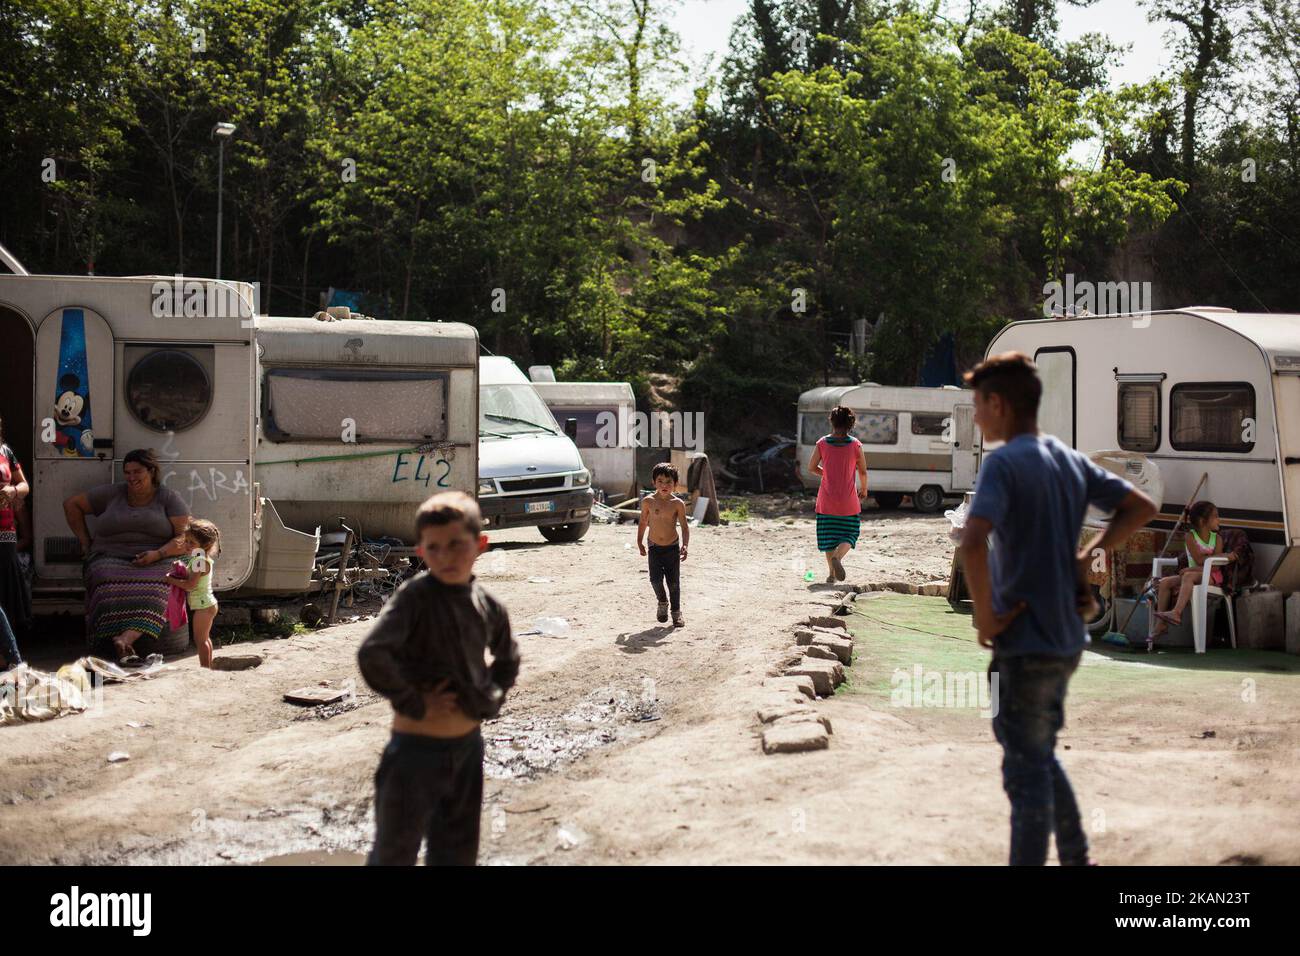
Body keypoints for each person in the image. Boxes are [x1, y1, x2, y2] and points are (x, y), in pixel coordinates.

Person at [959, 352, 1156, 866]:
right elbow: (1141, 507)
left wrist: (983, 617)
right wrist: (1093, 551)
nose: (975, 417)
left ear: (998, 404)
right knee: (1037, 754)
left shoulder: (1003, 462)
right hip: (1066, 639)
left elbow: (973, 543)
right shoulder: (1067, 458)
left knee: (1024, 777)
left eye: (978, 405)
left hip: (1022, 641)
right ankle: (1076, 856)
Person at [357, 491, 521, 866]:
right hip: (414, 753)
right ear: (421, 552)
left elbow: (508, 657)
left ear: (480, 544)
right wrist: (415, 700)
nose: (446, 556)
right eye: (435, 548)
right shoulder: (414, 598)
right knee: (395, 852)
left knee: (456, 852)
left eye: (456, 544)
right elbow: (373, 654)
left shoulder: (487, 604)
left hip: (467, 749)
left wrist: (490, 696)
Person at [63, 448, 191, 663]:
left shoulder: (168, 497)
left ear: (151, 471)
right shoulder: (114, 493)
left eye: (137, 472)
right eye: (127, 472)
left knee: (162, 584)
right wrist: (86, 543)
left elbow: (185, 537)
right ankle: (108, 641)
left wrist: (157, 554)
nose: (131, 477)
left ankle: (126, 638)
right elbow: (71, 504)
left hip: (158, 557)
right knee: (104, 580)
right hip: (109, 554)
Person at [1152, 501, 1230, 639]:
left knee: (1188, 576)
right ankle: (1161, 623)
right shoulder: (1190, 537)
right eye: (1216, 516)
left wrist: (1191, 568)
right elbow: (1199, 559)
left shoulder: (1217, 539)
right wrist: (1194, 568)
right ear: (1202, 521)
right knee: (1164, 582)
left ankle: (1176, 612)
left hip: (1212, 577)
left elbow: (1215, 566)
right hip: (1194, 574)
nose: (1219, 520)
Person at [807, 405, 868, 583]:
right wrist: (863, 489)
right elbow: (862, 471)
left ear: (832, 422)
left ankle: (831, 574)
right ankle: (838, 558)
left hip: (826, 500)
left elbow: (811, 468)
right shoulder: (856, 445)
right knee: (850, 533)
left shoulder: (822, 443)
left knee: (828, 537)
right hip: (849, 501)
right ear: (850, 423)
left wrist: (826, 473)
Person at [637, 462, 689, 626]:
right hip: (654, 547)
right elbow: (643, 523)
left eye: (669, 482)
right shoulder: (648, 502)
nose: (664, 485)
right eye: (660, 481)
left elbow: (685, 527)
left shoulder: (677, 504)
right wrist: (639, 541)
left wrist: (685, 545)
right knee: (655, 580)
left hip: (672, 547)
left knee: (673, 583)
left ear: (675, 484)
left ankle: (676, 613)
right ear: (654, 482)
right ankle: (662, 602)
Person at [167, 519, 221, 668]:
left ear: (205, 546)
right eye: (187, 541)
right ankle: (208, 667)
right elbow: (192, 578)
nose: (187, 545)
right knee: (205, 638)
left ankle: (204, 670)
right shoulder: (200, 559)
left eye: (192, 542)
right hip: (207, 604)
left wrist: (171, 580)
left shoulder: (199, 561)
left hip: (204, 606)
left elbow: (190, 585)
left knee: (200, 640)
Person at [0, 417, 32, 645]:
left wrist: (13, 491)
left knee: (5, 587)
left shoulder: (5, 451)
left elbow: (25, 486)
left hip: (5, 530)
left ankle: (5, 650)